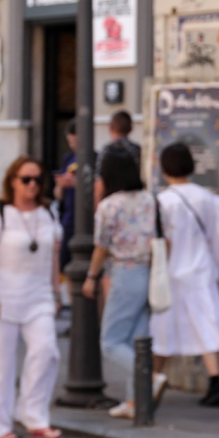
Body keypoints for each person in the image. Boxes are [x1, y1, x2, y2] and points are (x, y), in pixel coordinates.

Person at [0, 156, 63, 438]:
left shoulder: (49, 212)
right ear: (13, 181)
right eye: (26, 179)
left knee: (46, 351)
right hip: (1, 295)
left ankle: (34, 416)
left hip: (38, 295)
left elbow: (53, 256)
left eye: (38, 179)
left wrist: (56, 292)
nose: (32, 185)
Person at [151, 142, 219, 407]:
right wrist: (215, 264)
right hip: (200, 270)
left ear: (164, 168)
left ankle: (152, 380)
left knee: (162, 328)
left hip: (170, 272)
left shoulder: (162, 201)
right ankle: (215, 379)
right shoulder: (207, 198)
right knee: (206, 324)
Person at [84, 147, 158, 419]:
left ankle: (149, 378)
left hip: (125, 272)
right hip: (150, 272)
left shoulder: (110, 206)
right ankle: (134, 400)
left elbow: (101, 246)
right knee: (137, 339)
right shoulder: (150, 200)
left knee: (111, 342)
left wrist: (91, 276)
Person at [93, 110, 142, 208]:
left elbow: (100, 183)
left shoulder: (106, 151)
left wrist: (97, 209)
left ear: (111, 128)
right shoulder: (137, 150)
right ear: (131, 129)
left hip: (111, 205)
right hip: (134, 205)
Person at [53, 122, 77, 274]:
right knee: (64, 262)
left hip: (86, 217)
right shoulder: (67, 158)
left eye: (75, 141)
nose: (72, 145)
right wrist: (61, 185)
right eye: (70, 142)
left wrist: (75, 183)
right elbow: (58, 195)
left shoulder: (94, 158)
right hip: (68, 217)